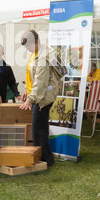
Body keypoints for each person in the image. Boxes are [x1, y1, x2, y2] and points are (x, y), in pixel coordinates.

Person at [19, 30, 57, 167]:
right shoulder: (34, 54)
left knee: (39, 131)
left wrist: (31, 99)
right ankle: (46, 160)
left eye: (28, 46)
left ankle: (44, 160)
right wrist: (26, 90)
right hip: (37, 96)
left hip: (42, 99)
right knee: (39, 129)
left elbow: (41, 82)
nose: (27, 49)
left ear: (36, 42)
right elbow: (32, 76)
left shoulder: (42, 58)